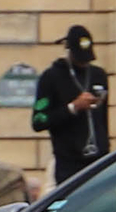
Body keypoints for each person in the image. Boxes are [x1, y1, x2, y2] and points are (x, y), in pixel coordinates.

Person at [31, 25, 110, 185]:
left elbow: (103, 118)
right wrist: (72, 108)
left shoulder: (98, 75)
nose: (84, 63)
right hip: (69, 163)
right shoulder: (51, 77)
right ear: (69, 51)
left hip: (98, 158)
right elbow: (39, 121)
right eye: (80, 58)